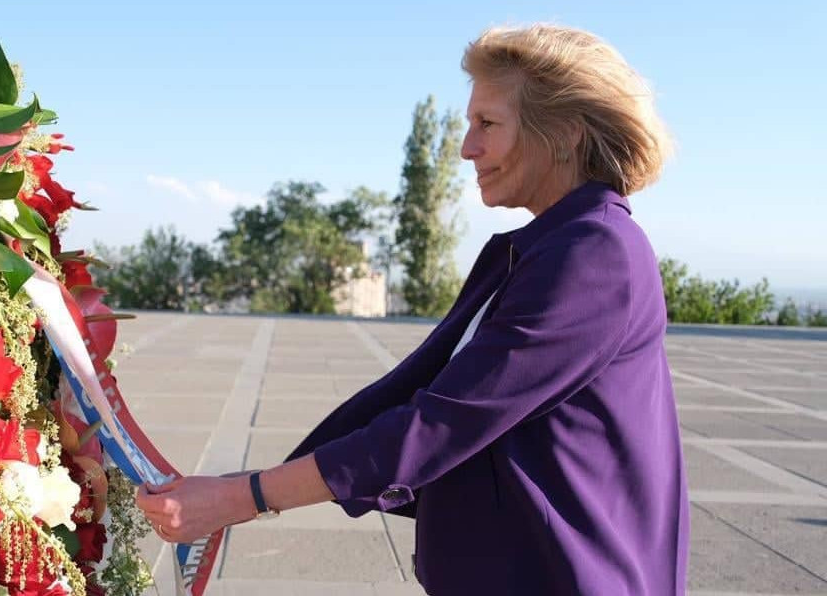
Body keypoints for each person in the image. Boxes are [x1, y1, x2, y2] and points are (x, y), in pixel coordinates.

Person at [137, 23, 689, 595]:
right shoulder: (556, 246)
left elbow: (440, 424)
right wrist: (247, 487)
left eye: (488, 124)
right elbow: (418, 401)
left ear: (565, 133)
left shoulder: (594, 256)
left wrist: (242, 497)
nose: (467, 147)